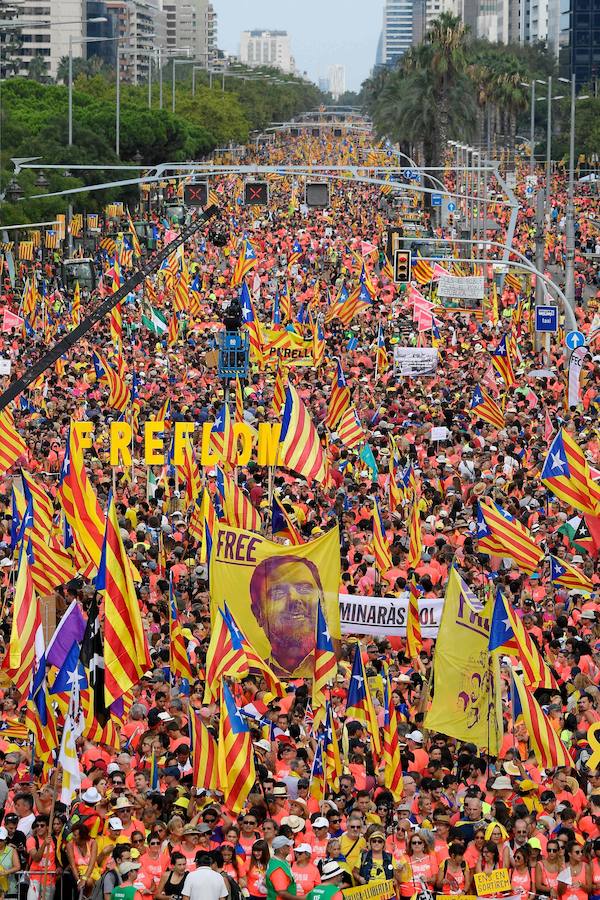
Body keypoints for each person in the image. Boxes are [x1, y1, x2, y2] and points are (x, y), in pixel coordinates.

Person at [249, 556, 326, 676]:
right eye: (278, 593)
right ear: (258, 613)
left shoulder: (340, 671)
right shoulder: (250, 673)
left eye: (304, 589)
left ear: (322, 602)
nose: (294, 598)